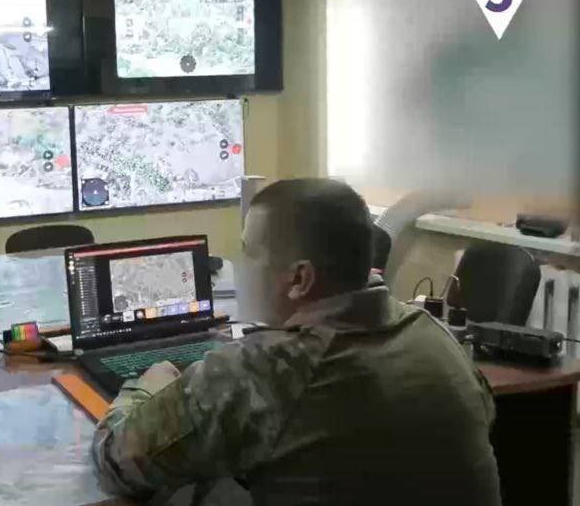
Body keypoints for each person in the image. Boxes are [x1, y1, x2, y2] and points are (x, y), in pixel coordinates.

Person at [92, 178, 500, 505]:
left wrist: (148, 385)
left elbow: (116, 459)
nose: (242, 267)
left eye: (249, 253)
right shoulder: (437, 336)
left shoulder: (263, 370)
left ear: (300, 279)